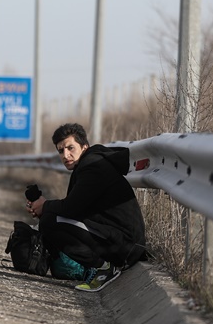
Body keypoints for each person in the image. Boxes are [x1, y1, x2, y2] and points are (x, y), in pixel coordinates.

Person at [27, 123, 147, 292]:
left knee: (49, 221)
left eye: (70, 148)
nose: (66, 155)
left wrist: (45, 206)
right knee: (49, 217)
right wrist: (44, 207)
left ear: (84, 147)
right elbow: (75, 208)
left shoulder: (93, 167)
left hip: (125, 245)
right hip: (119, 238)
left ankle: (103, 268)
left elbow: (70, 209)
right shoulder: (86, 165)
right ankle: (100, 266)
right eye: (61, 151)